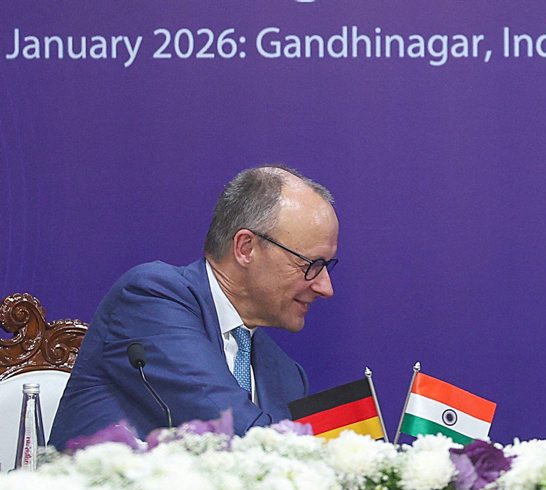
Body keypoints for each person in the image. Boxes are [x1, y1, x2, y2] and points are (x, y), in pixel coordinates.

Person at [50, 165, 337, 447]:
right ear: (246, 248)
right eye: (312, 264)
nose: (325, 287)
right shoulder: (151, 299)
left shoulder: (288, 376)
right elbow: (235, 436)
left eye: (327, 266)